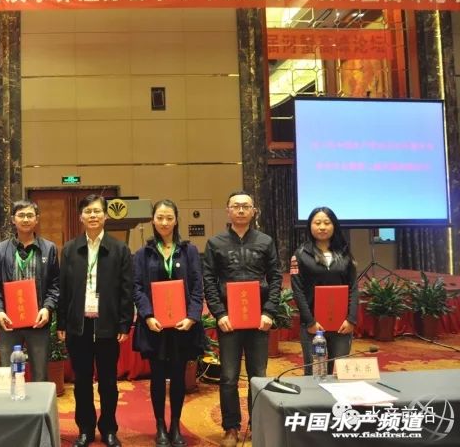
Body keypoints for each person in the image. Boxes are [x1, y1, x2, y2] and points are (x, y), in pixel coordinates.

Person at [202, 190, 282, 447]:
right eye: (235, 206)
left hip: (259, 319)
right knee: (228, 377)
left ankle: (257, 425)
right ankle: (231, 427)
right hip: (229, 320)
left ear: (253, 211)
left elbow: (276, 278)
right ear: (228, 211)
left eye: (245, 206)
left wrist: (269, 311)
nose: (240, 210)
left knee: (258, 375)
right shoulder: (215, 243)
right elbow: (209, 281)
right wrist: (219, 313)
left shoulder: (265, 241)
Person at [57, 194, 133, 447]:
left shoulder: (119, 249)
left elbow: (126, 289)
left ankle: (109, 428)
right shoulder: (70, 249)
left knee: (109, 381)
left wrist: (124, 323)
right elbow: (63, 289)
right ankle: (85, 429)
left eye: (97, 211)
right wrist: (61, 323)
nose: (93, 215)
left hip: (107, 323)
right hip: (79, 324)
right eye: (88, 211)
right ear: (81, 217)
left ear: (105, 216)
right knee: (81, 381)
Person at [133, 199, 204, 447]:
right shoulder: (143, 254)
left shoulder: (189, 251)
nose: (164, 222)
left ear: (176, 220)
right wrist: (148, 315)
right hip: (155, 327)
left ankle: (175, 425)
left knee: (178, 376)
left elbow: (197, 286)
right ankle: (160, 426)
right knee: (157, 377)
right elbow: (137, 288)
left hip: (183, 326)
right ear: (153, 220)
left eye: (169, 218)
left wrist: (192, 316)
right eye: (160, 217)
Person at [0, 200, 60, 381]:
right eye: (21, 215)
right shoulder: (0, 250)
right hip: (9, 321)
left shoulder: (49, 248)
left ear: (37, 219)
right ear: (13, 219)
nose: (25, 219)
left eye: (29, 215)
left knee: (40, 375)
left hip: (38, 321)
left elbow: (55, 284)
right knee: (8, 374)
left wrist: (47, 308)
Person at [290, 206, 359, 375]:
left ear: (334, 225)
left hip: (341, 324)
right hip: (313, 325)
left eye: (327, 223)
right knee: (314, 372)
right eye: (317, 223)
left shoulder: (345, 253)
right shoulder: (300, 254)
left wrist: (351, 319)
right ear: (310, 226)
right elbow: (298, 290)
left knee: (339, 372)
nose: (322, 227)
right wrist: (310, 322)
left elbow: (353, 287)